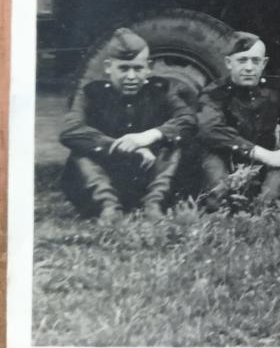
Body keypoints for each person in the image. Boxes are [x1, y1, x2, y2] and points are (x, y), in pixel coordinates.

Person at [59, 28, 197, 221]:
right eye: (123, 68)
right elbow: (70, 130)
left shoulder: (161, 89)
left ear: (148, 67)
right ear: (108, 67)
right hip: (108, 177)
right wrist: (123, 148)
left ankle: (154, 205)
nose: (131, 76)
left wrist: (149, 136)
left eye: (138, 68)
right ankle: (108, 206)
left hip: (149, 176)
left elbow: (188, 119)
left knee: (174, 143)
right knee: (81, 147)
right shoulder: (91, 93)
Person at [196, 31, 280, 212]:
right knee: (211, 155)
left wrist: (279, 155)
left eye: (255, 61)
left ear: (264, 63)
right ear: (229, 63)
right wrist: (262, 153)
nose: (249, 67)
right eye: (242, 60)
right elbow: (210, 129)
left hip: (267, 165)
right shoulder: (215, 93)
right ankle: (221, 203)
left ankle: (266, 203)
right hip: (229, 161)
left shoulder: (277, 89)